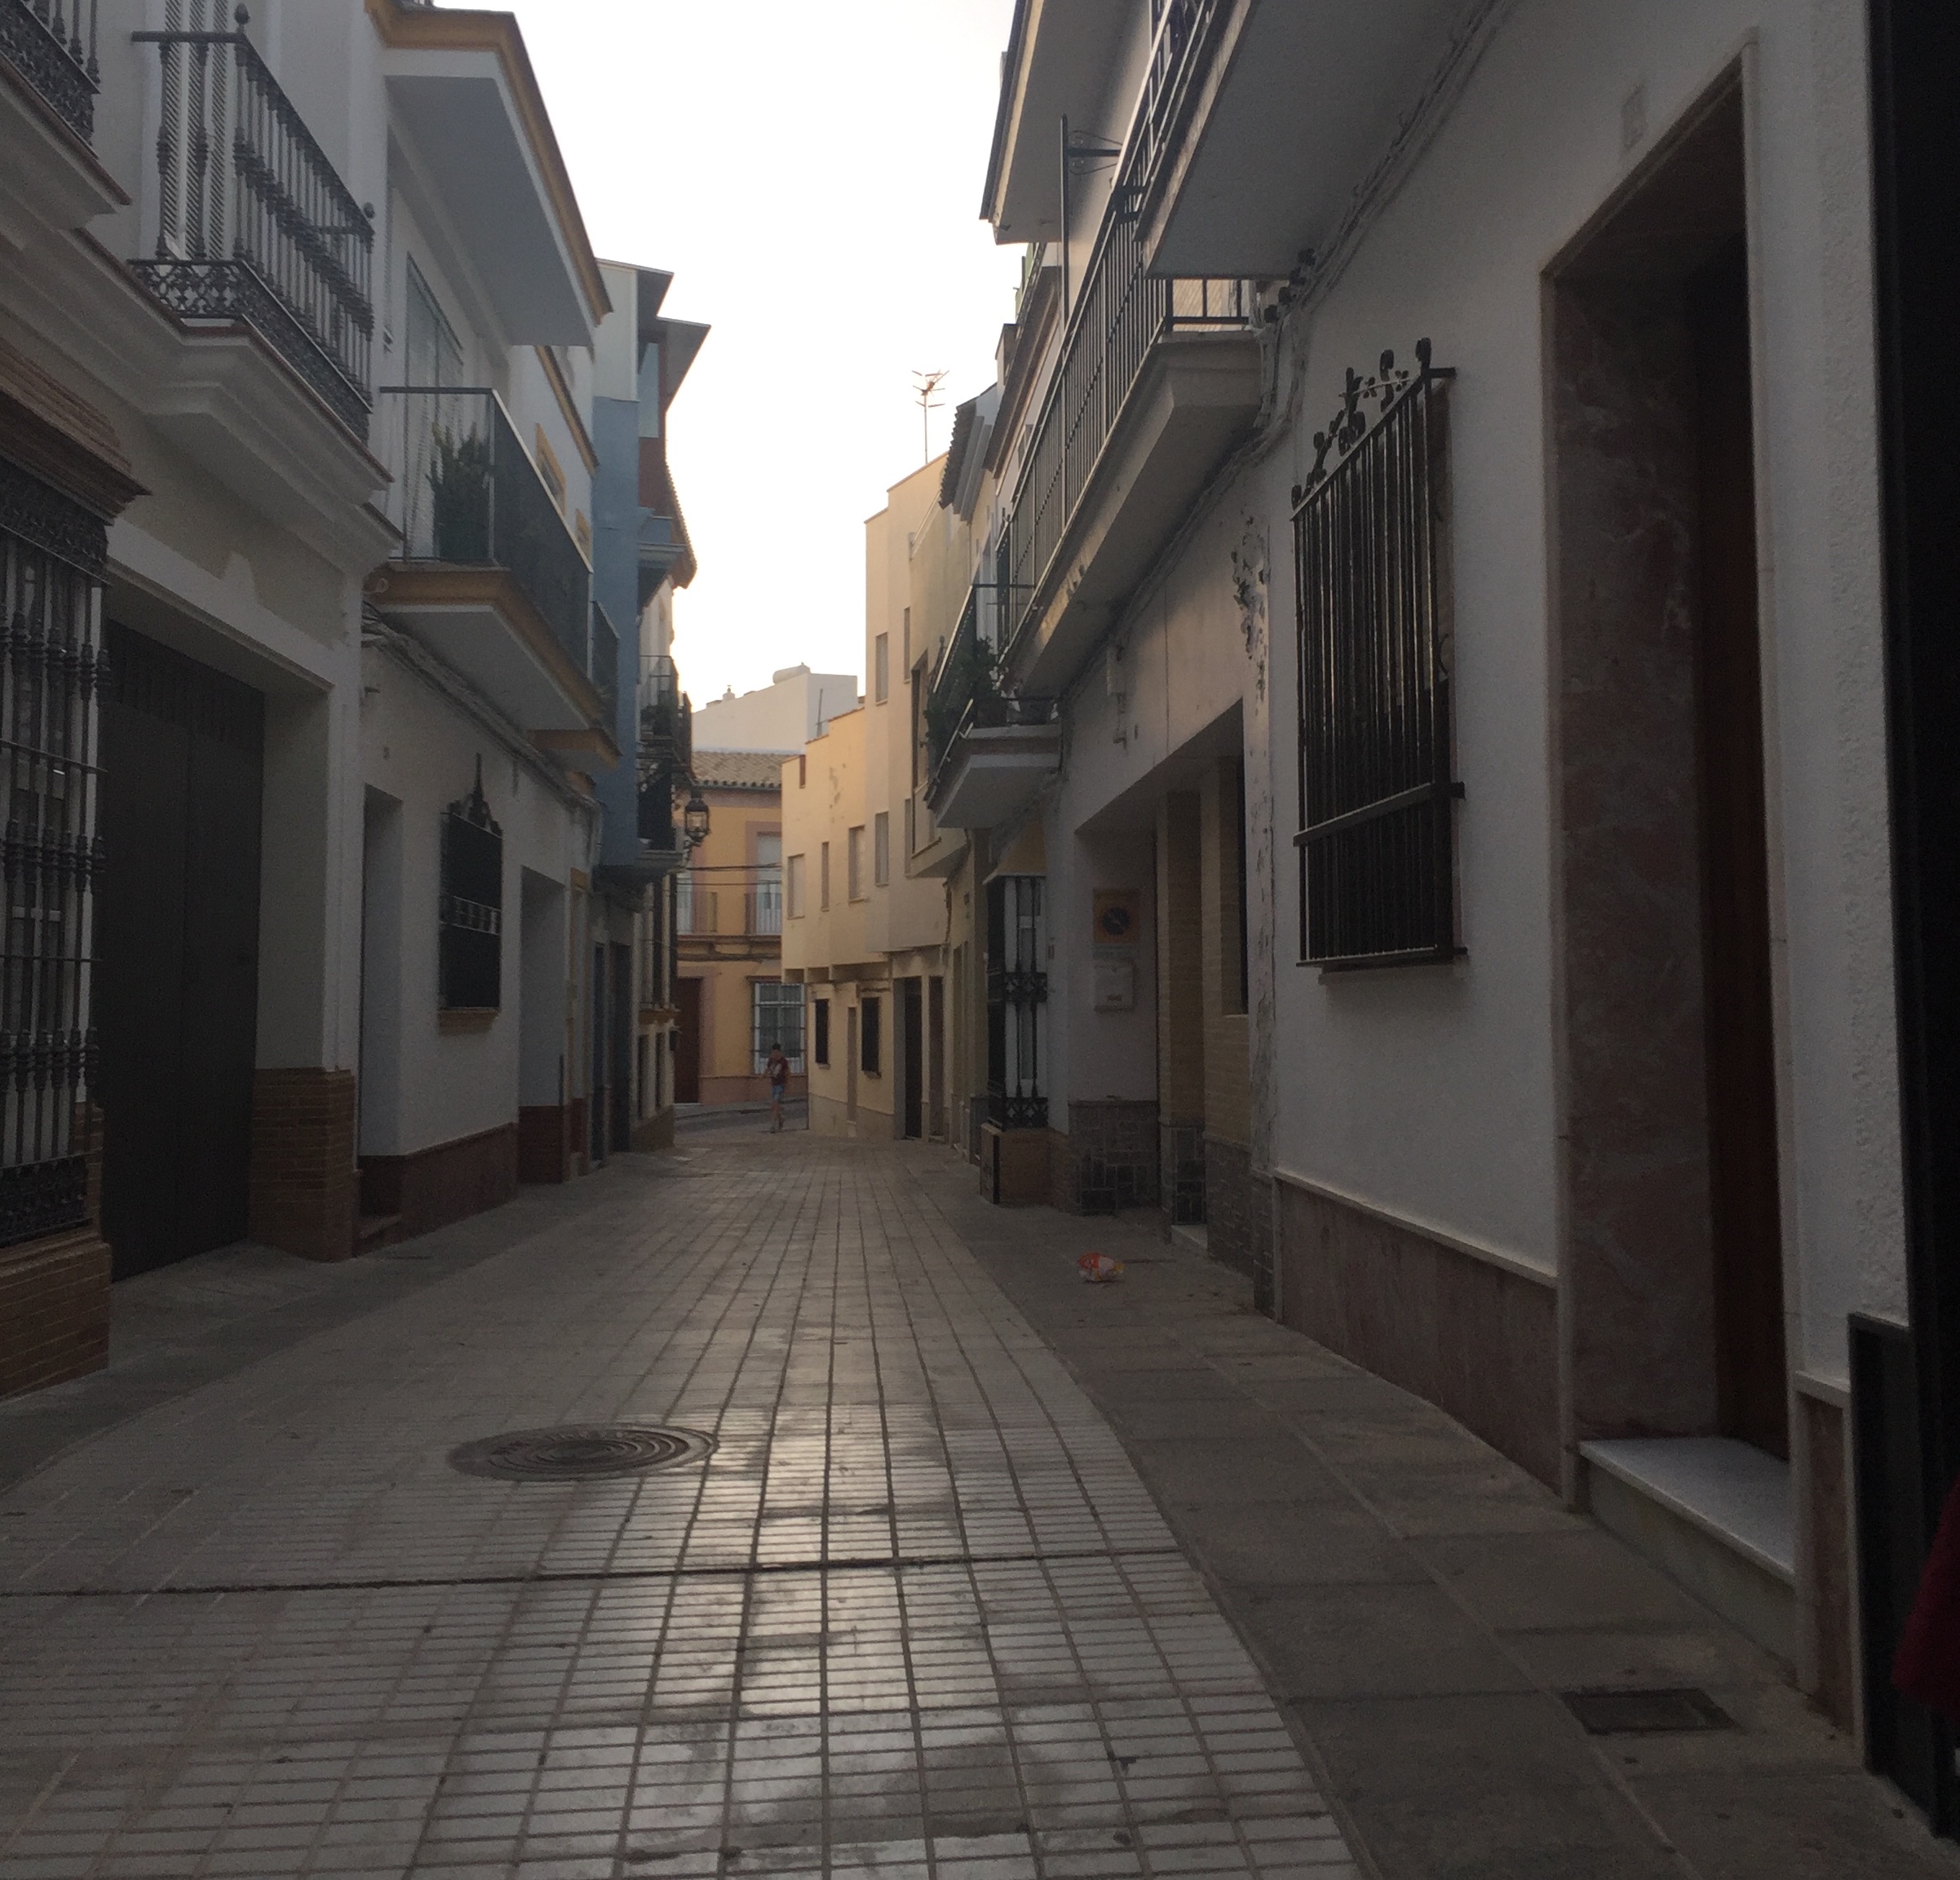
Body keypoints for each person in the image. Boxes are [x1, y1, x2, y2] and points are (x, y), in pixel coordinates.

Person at [766, 1044, 790, 1133]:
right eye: (773, 1052)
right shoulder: (771, 1061)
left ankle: (772, 1125)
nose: (774, 1054)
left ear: (779, 1052)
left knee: (776, 1103)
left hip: (781, 1085)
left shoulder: (783, 1061)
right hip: (774, 1085)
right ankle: (781, 1119)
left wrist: (787, 1085)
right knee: (774, 1105)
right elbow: (768, 1069)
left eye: (776, 1052)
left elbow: (788, 1073)